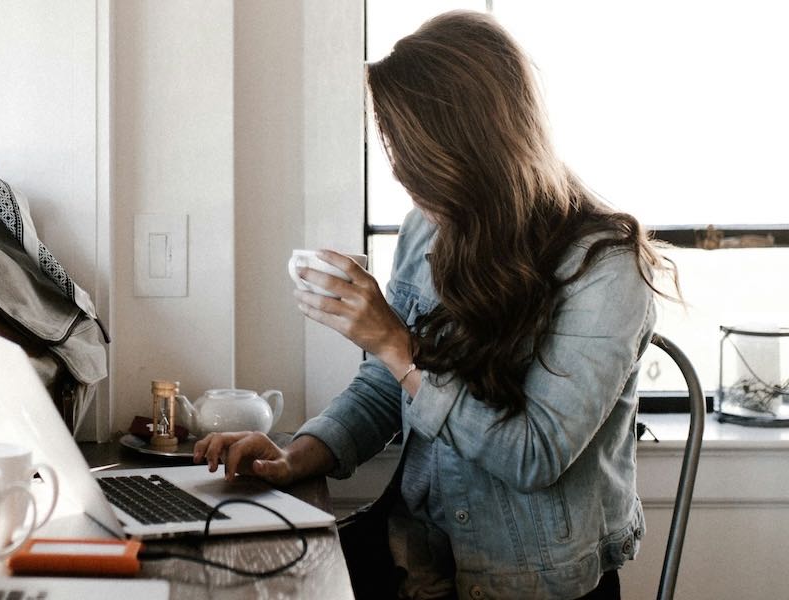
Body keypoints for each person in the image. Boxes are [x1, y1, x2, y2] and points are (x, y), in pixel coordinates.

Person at [194, 10, 677, 600]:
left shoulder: (606, 269)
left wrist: (398, 345)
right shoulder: (429, 230)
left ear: (472, 148)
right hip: (418, 554)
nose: (402, 174)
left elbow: (535, 454)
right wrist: (299, 456)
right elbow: (384, 387)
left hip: (530, 580)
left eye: (413, 156)